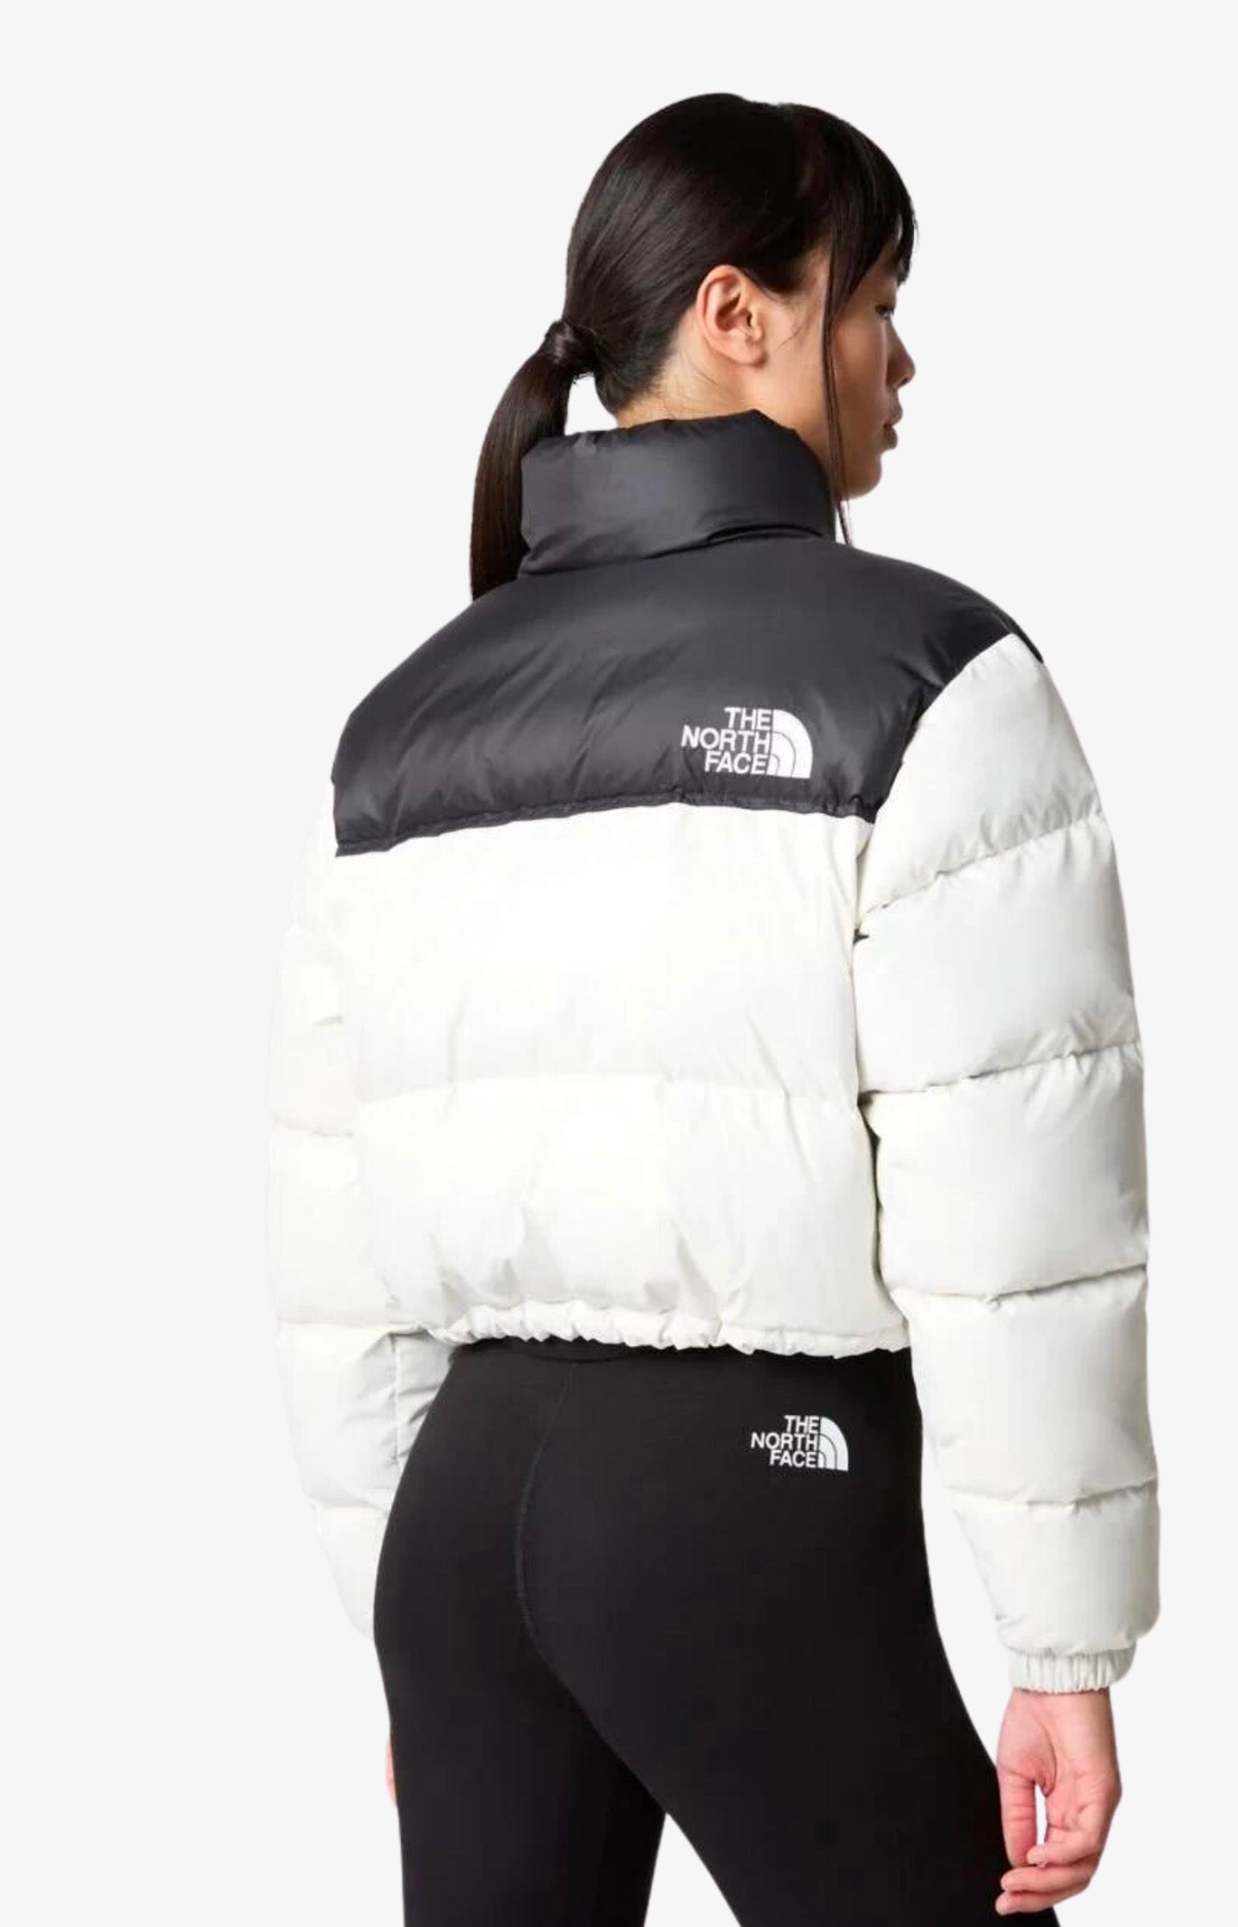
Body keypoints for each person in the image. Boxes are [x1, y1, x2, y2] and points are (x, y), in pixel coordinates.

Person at [265, 91, 1160, 1925]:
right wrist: (1061, 1647)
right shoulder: (930, 678)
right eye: (873, 303)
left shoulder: (403, 724)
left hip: (460, 1528)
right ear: (738, 314)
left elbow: (336, 1240)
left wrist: (399, 1626)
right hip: (746, 1503)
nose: (900, 360)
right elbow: (1016, 1213)